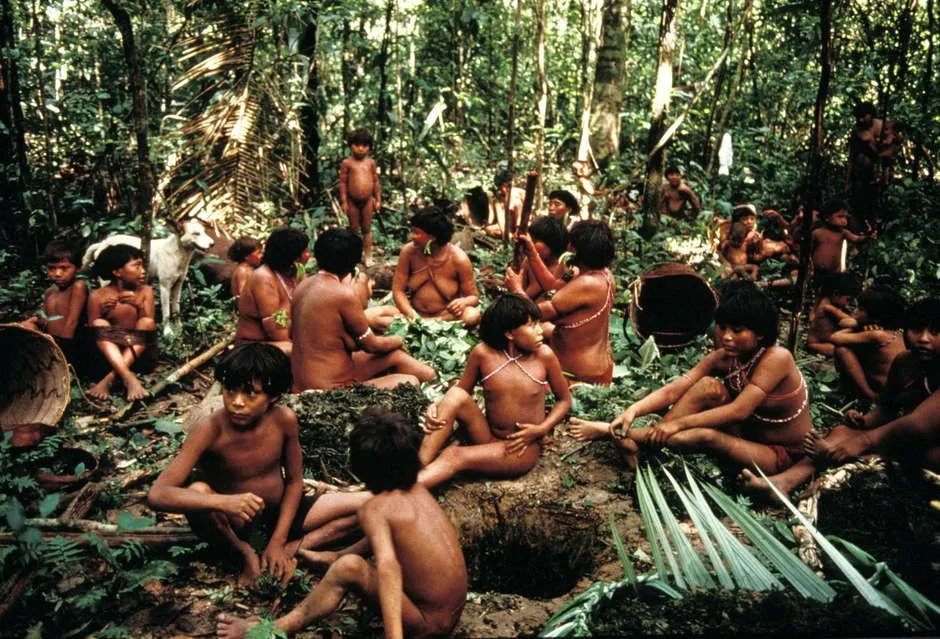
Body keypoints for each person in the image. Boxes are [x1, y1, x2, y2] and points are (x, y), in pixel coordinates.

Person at [216, 408, 468, 639]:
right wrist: (341, 553)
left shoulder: (376, 509)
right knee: (350, 557)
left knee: (349, 568)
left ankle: (273, 629)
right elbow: (392, 541)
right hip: (450, 613)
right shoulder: (417, 490)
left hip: (427, 623)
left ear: (361, 467)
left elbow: (388, 569)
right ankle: (336, 556)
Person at [149, 344, 372, 587]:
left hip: (282, 513)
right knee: (198, 491)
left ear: (273, 396)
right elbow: (158, 494)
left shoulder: (283, 420)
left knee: (370, 503)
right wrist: (223, 502)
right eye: (230, 391)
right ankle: (245, 554)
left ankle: (291, 549)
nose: (237, 402)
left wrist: (278, 540)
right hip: (235, 524)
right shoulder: (210, 430)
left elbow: (294, 481)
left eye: (250, 394)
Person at [569, 285, 810, 473]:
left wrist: (678, 424)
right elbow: (675, 389)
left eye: (737, 330)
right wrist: (633, 410)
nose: (726, 336)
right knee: (707, 387)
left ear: (760, 333)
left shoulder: (777, 357)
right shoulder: (726, 357)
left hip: (778, 455)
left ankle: (612, 432)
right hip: (745, 434)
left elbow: (739, 411)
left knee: (706, 436)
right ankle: (649, 444)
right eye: (722, 327)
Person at [742, 298, 940, 498]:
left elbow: (917, 425)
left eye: (935, 331)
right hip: (905, 437)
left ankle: (839, 460)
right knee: (843, 432)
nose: (924, 338)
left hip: (929, 449)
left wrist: (862, 442)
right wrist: (865, 421)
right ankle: (782, 482)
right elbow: (886, 408)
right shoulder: (904, 362)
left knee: (901, 451)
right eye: (917, 330)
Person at [417, 294, 571, 488]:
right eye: (532, 326)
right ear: (510, 334)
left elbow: (564, 400)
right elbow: (461, 392)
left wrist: (541, 429)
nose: (540, 331)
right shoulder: (483, 354)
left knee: (454, 455)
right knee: (455, 395)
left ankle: (402, 490)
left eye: (539, 323)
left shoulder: (544, 356)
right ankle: (417, 466)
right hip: (487, 435)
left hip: (520, 447)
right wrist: (438, 406)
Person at [292, 228, 435, 391]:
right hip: (330, 388)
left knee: (397, 357)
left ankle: (436, 380)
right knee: (410, 380)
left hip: (306, 379)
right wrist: (399, 340)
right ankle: (439, 385)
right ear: (353, 264)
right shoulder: (343, 294)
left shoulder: (302, 285)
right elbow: (372, 345)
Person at [511, 219, 615, 385]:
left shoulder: (587, 283)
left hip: (578, 375)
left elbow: (536, 313)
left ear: (572, 247)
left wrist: (517, 290)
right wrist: (531, 252)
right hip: (596, 368)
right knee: (545, 330)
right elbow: (553, 286)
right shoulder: (603, 274)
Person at [86, 244, 156, 401]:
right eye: (136, 266)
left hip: (138, 356)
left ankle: (110, 380)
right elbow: (93, 334)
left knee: (146, 321)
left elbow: (149, 329)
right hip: (109, 357)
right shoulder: (97, 296)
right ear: (117, 272)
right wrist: (104, 313)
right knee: (98, 323)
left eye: (142, 265)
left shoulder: (146, 291)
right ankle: (129, 378)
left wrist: (139, 306)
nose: (143, 271)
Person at [392, 206, 482, 328]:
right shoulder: (408, 252)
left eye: (416, 232)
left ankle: (431, 325)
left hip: (445, 317)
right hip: (413, 315)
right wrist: (413, 317)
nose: (412, 236)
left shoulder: (459, 259)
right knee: (373, 316)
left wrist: (463, 302)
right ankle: (423, 325)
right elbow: (398, 291)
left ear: (432, 237)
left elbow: (473, 297)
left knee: (472, 315)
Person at [235, 227, 308, 356]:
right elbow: (277, 332)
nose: (308, 255)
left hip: (284, 339)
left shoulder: (296, 270)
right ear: (292, 255)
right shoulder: (264, 278)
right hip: (254, 346)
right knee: (307, 352)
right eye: (304, 251)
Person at [831, 285, 906, 400]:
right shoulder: (894, 332)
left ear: (875, 317)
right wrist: (858, 324)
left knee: (842, 350)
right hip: (893, 386)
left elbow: (835, 337)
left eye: (861, 309)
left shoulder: (877, 335)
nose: (855, 311)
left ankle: (868, 393)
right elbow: (844, 322)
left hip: (885, 389)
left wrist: (856, 326)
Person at [21, 239, 88, 366]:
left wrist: (60, 352)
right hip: (52, 341)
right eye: (52, 268)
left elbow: (72, 322)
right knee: (27, 326)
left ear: (77, 268)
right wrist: (33, 321)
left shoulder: (78, 287)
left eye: (64, 268)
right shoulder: (49, 292)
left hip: (70, 344)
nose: (57, 273)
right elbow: (46, 320)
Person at [339, 128, 380, 265]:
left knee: (367, 229)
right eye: (357, 145)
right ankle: (354, 257)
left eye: (364, 145)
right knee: (354, 230)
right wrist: (344, 201)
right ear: (350, 145)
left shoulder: (371, 163)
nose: (360, 148)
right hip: (352, 201)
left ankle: (368, 257)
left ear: (370, 147)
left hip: (367, 201)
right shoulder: (347, 163)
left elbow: (375, 181)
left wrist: (378, 199)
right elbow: (343, 182)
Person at [512, 216, 570, 303]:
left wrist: (517, 290)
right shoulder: (528, 262)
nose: (531, 244)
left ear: (552, 244)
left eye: (535, 241)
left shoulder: (561, 271)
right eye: (531, 240)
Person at [846, 101, 884, 229]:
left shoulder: (881, 126)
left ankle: (873, 231)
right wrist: (848, 180)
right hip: (859, 175)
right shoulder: (857, 130)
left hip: (875, 175)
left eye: (863, 117)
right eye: (858, 117)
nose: (860, 120)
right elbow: (852, 155)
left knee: (873, 207)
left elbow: (887, 153)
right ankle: (858, 232)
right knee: (857, 206)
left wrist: (870, 141)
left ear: (870, 115)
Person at [811, 200, 870, 278]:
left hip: (834, 273)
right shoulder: (817, 233)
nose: (844, 220)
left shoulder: (843, 233)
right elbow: (808, 249)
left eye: (846, 217)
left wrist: (868, 236)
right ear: (827, 217)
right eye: (840, 216)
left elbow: (856, 239)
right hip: (816, 271)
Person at [806, 272, 859, 356]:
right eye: (848, 300)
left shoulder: (832, 303)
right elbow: (847, 319)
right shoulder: (827, 307)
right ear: (836, 294)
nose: (848, 304)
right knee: (838, 351)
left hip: (826, 341)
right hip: (816, 344)